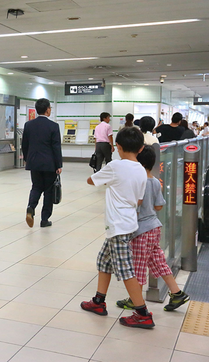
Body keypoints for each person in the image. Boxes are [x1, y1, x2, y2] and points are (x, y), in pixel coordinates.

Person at [81, 127, 155, 329]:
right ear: (141, 149)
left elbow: (91, 180)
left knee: (125, 270)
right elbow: (139, 200)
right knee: (103, 261)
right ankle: (98, 302)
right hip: (128, 223)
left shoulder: (115, 166)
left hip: (118, 226)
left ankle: (142, 313)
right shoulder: (141, 169)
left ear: (118, 148)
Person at [116, 145, 190, 312]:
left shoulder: (136, 183)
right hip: (155, 228)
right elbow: (158, 207)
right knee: (158, 261)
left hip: (140, 232)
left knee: (138, 266)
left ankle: (136, 300)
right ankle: (177, 293)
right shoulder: (156, 181)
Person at [22, 98, 63, 228]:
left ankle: (31, 207)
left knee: (36, 186)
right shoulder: (53, 126)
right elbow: (56, 147)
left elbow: (25, 144)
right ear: (47, 110)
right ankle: (44, 219)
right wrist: (58, 164)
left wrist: (28, 159)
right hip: (49, 164)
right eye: (50, 108)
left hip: (34, 162)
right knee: (49, 191)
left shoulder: (29, 125)